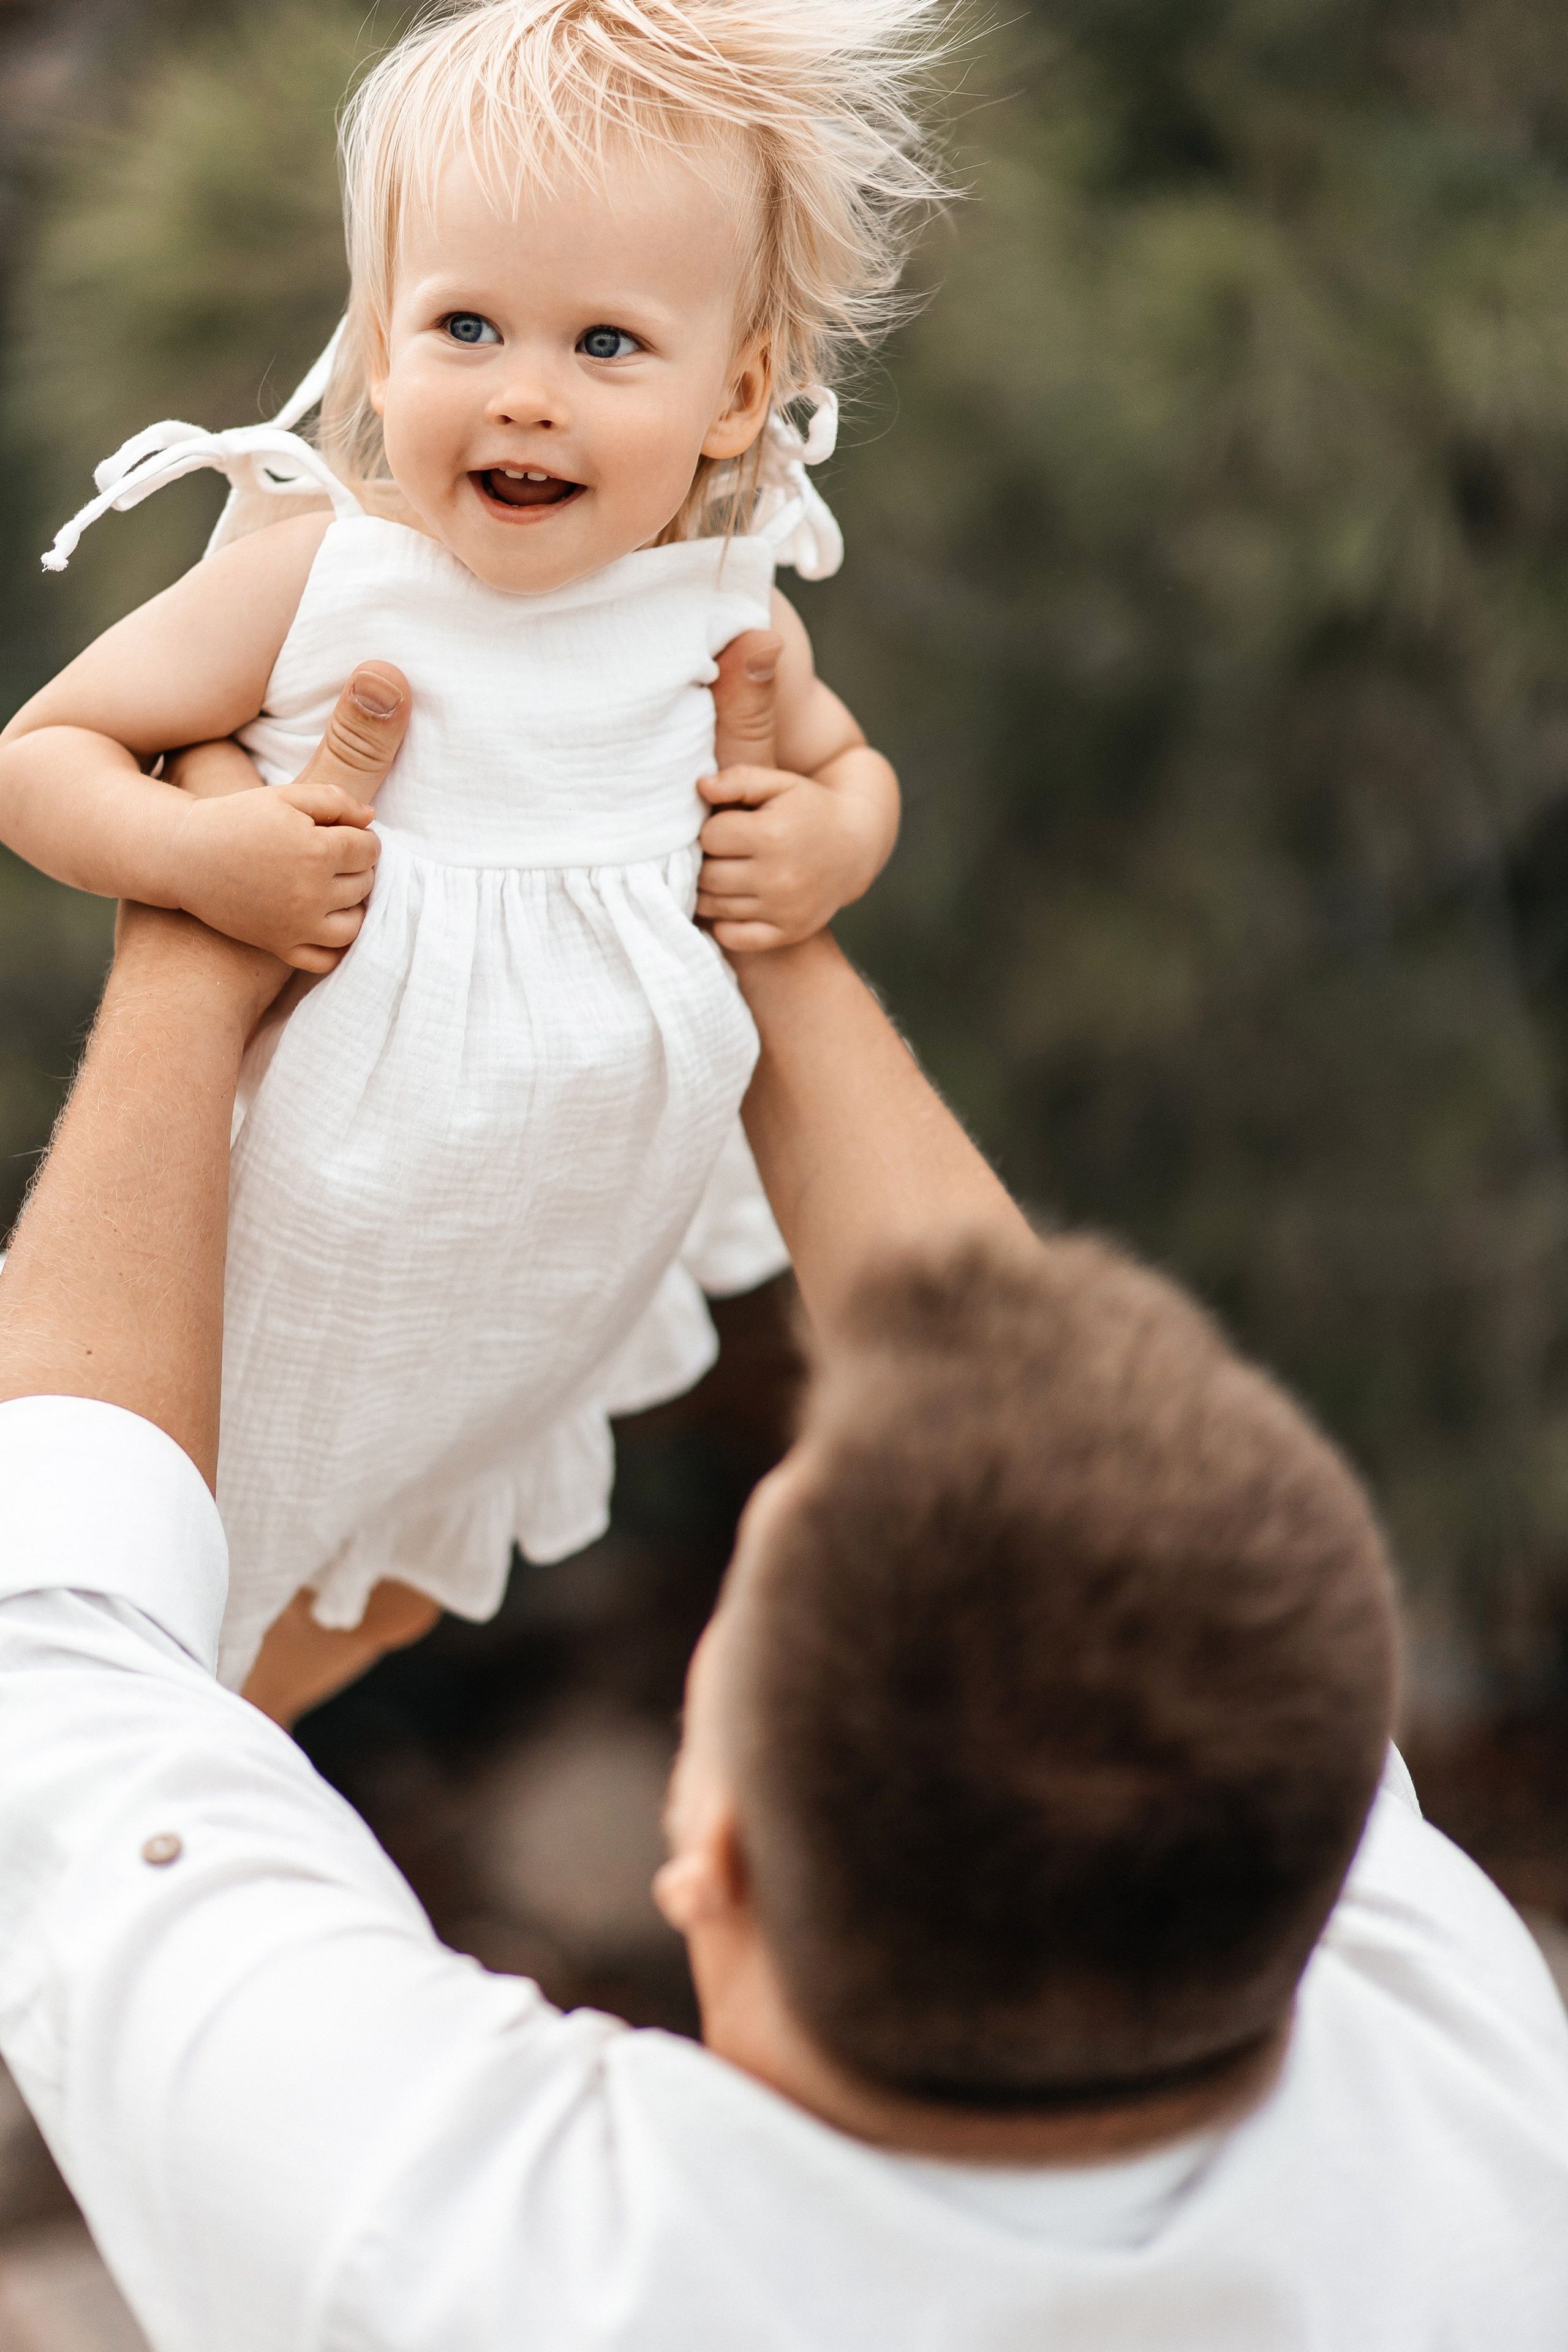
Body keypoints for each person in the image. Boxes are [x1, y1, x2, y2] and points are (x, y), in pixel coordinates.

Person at [1, 654, 1566, 2352]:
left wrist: (193, 938)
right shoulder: (1470, 2106)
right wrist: (758, 932)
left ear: (713, 1862)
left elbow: (53, 1630)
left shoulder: (471, 2256)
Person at [0, 0, 936, 1699]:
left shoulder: (726, 615)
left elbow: (853, 774)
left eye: (605, 348)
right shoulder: (324, 580)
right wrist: (213, 867)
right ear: (378, 344)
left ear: (735, 395)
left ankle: (207, 1754)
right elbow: (42, 759)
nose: (524, 397)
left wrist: (824, 847)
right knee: (159, 1548)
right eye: (469, 326)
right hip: (283, 1239)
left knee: (403, 1581)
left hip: (536, 1251)